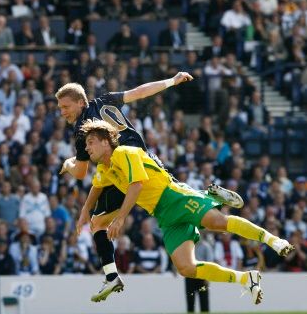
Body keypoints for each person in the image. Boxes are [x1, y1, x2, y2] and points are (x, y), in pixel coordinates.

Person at [56, 73, 244, 301]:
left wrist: (67, 164)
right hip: (147, 158)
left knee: (97, 224)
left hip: (122, 168)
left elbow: (81, 172)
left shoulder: (84, 130)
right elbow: (139, 92)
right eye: (60, 107)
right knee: (172, 193)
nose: (63, 111)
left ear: (80, 102)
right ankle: (212, 196)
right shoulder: (104, 101)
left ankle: (111, 276)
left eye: (65, 106)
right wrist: (172, 81)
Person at [80, 119, 294, 304]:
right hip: (163, 215)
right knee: (186, 268)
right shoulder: (104, 169)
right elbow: (96, 187)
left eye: (90, 142)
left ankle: (275, 241)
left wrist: (119, 219)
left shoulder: (124, 152)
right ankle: (246, 279)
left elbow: (136, 184)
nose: (87, 148)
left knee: (217, 223)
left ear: (106, 141)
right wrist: (85, 212)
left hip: (174, 196)